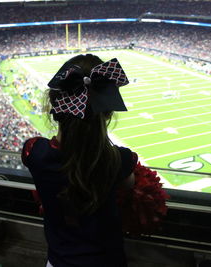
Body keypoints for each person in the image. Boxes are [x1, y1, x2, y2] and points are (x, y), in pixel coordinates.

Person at [22, 54, 137, 267]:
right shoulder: (120, 160)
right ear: (108, 113)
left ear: (54, 107)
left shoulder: (35, 153)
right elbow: (128, 185)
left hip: (60, 260)